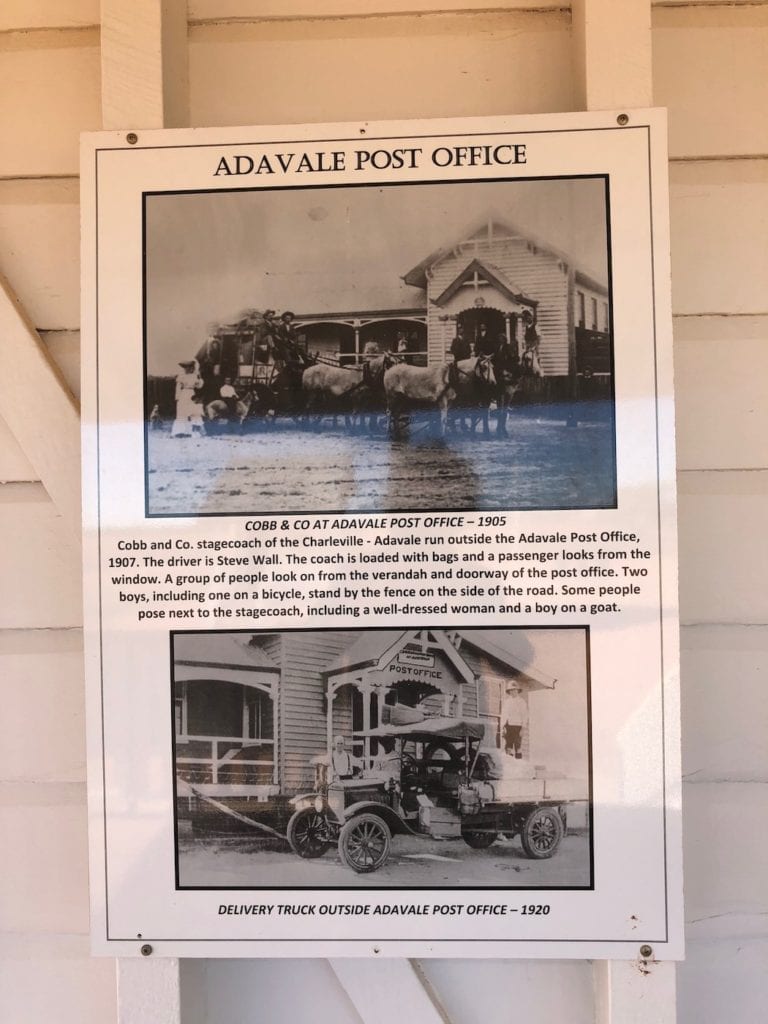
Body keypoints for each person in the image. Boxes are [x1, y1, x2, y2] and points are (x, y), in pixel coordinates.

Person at [171, 360, 204, 437]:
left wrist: (199, 379)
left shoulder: (195, 376)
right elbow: (178, 387)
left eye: (190, 367)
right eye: (186, 367)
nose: (188, 369)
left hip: (192, 394)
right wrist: (177, 397)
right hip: (183, 394)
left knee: (193, 411)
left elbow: (199, 386)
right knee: (182, 412)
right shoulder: (181, 376)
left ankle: (191, 431)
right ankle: (180, 431)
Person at [501, 682, 528, 758]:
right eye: (511, 690)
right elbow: (504, 714)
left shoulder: (522, 702)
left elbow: (525, 715)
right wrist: (503, 726)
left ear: (518, 691)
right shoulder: (507, 702)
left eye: (515, 690)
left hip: (518, 727)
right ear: (509, 691)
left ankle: (518, 764)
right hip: (509, 726)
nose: (513, 692)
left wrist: (523, 728)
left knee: (518, 746)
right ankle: (509, 764)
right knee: (508, 746)